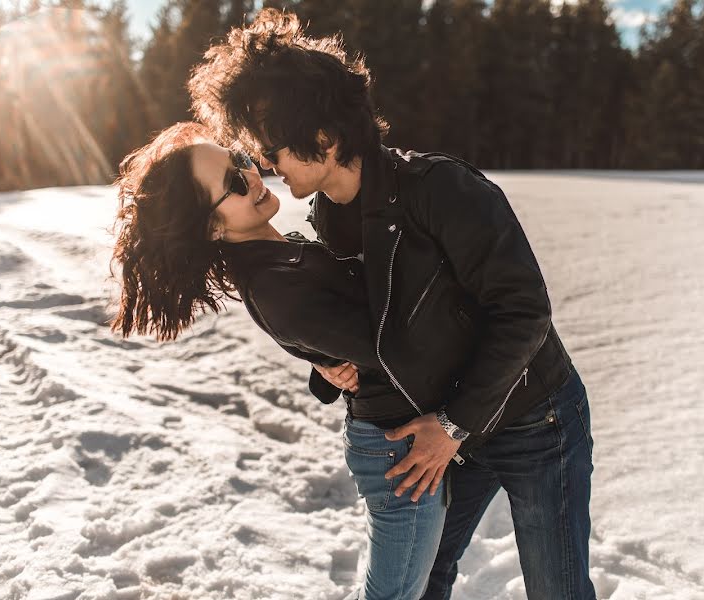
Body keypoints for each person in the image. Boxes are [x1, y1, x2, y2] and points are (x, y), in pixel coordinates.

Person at [188, 9, 597, 600]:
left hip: (534, 417)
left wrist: (455, 424)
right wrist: (327, 369)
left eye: (272, 150)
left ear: (324, 140)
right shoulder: (329, 218)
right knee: (424, 574)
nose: (266, 166)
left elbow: (526, 312)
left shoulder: (441, 189)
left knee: (557, 590)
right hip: (447, 429)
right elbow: (379, 323)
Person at [110, 121, 449, 600]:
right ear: (211, 226)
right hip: (397, 446)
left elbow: (343, 332)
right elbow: (391, 341)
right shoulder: (270, 284)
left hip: (400, 431)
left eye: (239, 161)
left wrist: (326, 368)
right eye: (231, 183)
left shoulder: (279, 253)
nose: (250, 176)